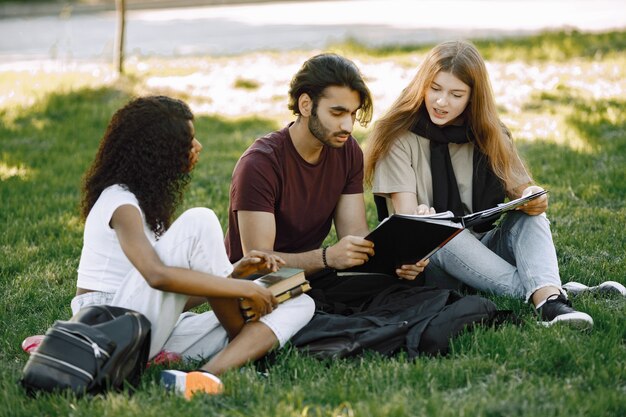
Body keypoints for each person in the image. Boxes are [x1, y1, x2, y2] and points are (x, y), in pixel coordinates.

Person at [364, 40, 622, 329]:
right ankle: (549, 293)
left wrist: (533, 197)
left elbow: (521, 189)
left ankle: (548, 297)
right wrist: (424, 221)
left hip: (480, 250)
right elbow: (409, 232)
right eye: (434, 89)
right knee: (443, 231)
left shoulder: (490, 133)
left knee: (529, 217)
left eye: (456, 94)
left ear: (473, 98)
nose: (441, 102)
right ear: (421, 85)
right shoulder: (398, 137)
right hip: (429, 262)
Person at [72, 96, 315, 399]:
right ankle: (247, 344)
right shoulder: (119, 202)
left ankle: (204, 377)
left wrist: (236, 276)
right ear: (157, 152)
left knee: (300, 303)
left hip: (150, 331)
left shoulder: (146, 204)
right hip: (108, 329)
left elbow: (168, 299)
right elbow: (156, 276)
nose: (198, 146)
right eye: (187, 141)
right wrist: (242, 290)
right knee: (200, 220)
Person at [224, 53, 434, 310]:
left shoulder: (348, 152)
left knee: (404, 287)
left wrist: (399, 259)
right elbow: (258, 262)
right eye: (337, 113)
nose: (348, 125)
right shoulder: (259, 164)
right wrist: (327, 257)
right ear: (305, 105)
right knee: (312, 308)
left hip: (310, 276)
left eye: (353, 114)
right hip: (254, 286)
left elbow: (354, 232)